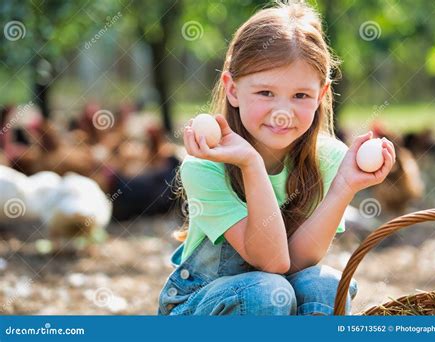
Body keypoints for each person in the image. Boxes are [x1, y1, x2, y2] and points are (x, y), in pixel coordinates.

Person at [158, 1, 396, 316]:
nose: (282, 113)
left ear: (321, 95)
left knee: (323, 286)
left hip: (273, 300)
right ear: (232, 90)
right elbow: (271, 265)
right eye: (266, 93)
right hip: (196, 308)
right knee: (266, 292)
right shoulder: (205, 165)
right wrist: (251, 164)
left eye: (300, 95)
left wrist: (344, 187)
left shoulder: (329, 159)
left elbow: (292, 264)